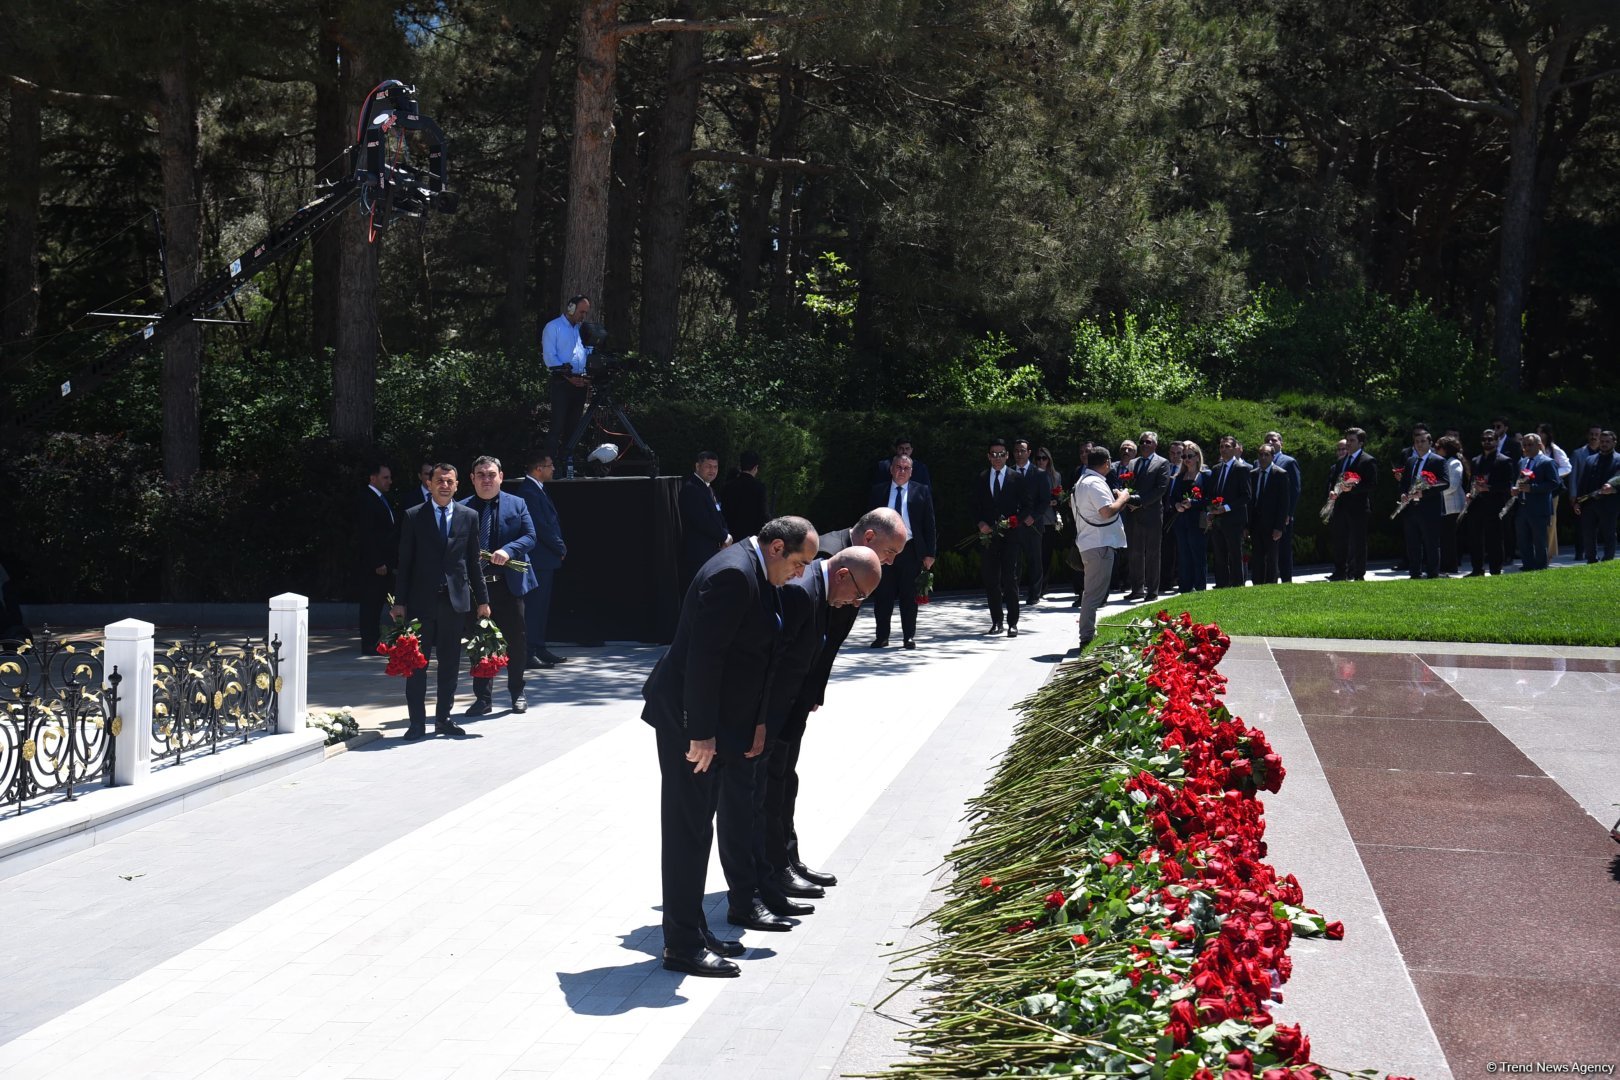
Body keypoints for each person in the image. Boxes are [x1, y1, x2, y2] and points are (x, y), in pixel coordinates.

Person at [640, 516, 818, 976]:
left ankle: (692, 929)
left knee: (699, 827)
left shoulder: (757, 571)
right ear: (776, 548)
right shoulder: (734, 575)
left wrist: (756, 722)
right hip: (689, 725)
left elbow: (757, 656)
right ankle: (681, 945)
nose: (801, 573)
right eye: (799, 562)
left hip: (714, 724)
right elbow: (704, 658)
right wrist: (700, 733)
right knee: (688, 831)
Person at [758, 547, 883, 900]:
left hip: (792, 708)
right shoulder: (803, 589)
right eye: (858, 595)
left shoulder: (823, 587)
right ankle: (770, 873)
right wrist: (762, 722)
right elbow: (774, 661)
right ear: (843, 575)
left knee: (785, 783)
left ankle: (786, 862)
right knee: (768, 791)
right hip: (773, 714)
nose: (856, 603)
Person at [392, 464, 491, 740]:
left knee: (449, 664)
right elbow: (405, 562)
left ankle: (444, 719)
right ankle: (417, 723)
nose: (444, 486)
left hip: (454, 601)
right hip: (420, 602)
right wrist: (399, 602)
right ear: (430, 483)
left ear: (457, 485)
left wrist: (483, 600)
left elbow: (473, 563)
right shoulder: (414, 516)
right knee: (417, 664)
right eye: (439, 481)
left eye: (449, 481)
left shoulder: (468, 516)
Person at [461, 456, 538, 716]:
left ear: (501, 477)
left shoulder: (517, 504)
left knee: (516, 641)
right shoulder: (461, 508)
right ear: (472, 479)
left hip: (507, 585)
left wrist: (508, 550)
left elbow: (530, 536)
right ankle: (483, 698)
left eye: (491, 474)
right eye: (481, 475)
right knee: (480, 643)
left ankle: (517, 692)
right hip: (476, 589)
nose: (486, 479)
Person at [867, 455, 936, 649]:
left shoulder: (921, 491)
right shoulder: (879, 491)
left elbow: (929, 523)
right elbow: (868, 522)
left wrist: (930, 553)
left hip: (910, 549)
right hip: (884, 550)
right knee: (883, 594)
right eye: (898, 467)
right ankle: (882, 636)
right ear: (891, 469)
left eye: (906, 468)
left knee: (909, 595)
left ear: (911, 471)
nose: (901, 471)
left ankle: (908, 637)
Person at [1072, 447, 1131, 648]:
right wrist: (1123, 497)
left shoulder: (1082, 481)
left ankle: (1088, 633)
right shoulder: (1095, 483)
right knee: (1093, 594)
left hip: (1091, 542)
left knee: (1092, 592)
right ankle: (1086, 637)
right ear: (1106, 462)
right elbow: (1106, 512)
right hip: (1098, 544)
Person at [518, 451, 569, 668]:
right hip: (538, 559)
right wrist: (559, 546)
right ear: (539, 468)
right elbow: (540, 526)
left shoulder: (537, 489)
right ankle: (528, 652)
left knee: (541, 607)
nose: (553, 469)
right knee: (534, 607)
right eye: (550, 465)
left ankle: (539, 646)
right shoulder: (529, 492)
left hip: (545, 560)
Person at [973, 437, 1028, 637]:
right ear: (988, 456)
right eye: (994, 454)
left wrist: (1015, 521)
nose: (997, 458)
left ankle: (1013, 622)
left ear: (1007, 456)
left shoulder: (1016, 477)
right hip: (989, 537)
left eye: (1001, 454)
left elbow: (1027, 506)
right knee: (991, 579)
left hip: (1010, 536)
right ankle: (997, 621)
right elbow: (974, 506)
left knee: (1010, 579)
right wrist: (980, 523)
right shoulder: (981, 478)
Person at [541, 294, 593, 470]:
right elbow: (550, 357)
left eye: (585, 312)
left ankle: (567, 466)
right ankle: (549, 467)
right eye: (581, 312)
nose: (583, 316)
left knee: (573, 428)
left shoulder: (581, 330)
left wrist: (586, 377)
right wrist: (568, 376)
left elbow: (585, 354)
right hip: (561, 382)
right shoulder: (553, 327)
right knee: (557, 426)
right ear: (571, 308)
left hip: (580, 383)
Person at [1123, 431, 1171, 601]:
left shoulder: (1162, 463)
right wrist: (1128, 501)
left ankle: (1152, 591)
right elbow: (1127, 484)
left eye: (1148, 442)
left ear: (1155, 445)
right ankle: (1137, 589)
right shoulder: (1132, 463)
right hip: (1133, 514)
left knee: (1152, 554)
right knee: (1134, 553)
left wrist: (1139, 502)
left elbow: (1161, 489)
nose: (1144, 444)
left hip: (1152, 515)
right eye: (1142, 442)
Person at [1398, 426, 1450, 579]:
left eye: (1422, 441)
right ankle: (1415, 573)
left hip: (1430, 508)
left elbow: (1445, 482)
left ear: (1430, 443)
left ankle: (1433, 573)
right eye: (1416, 442)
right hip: (1411, 508)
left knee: (1431, 543)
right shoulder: (1410, 461)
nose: (1419, 444)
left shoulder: (1438, 460)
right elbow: (1404, 482)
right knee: (1412, 542)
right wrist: (1403, 493)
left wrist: (1424, 492)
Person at [357, 463, 398, 657]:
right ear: (373, 478)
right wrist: (377, 562)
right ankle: (369, 643)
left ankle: (375, 641)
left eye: (389, 477)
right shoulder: (367, 499)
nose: (389, 481)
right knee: (371, 605)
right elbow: (367, 534)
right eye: (385, 477)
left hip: (385, 563)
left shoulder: (380, 498)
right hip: (375, 566)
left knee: (378, 603)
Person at [1329, 427, 1378, 581]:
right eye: (1347, 440)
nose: (1348, 444)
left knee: (1358, 542)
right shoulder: (1341, 461)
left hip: (1358, 508)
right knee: (1339, 541)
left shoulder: (1367, 460)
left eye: (1352, 440)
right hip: (1340, 507)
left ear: (1361, 443)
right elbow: (1334, 480)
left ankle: (1358, 573)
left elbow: (1372, 484)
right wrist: (1333, 491)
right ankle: (1340, 572)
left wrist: (1352, 488)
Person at [1466, 427, 1516, 576]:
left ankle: (1495, 570)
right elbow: (1472, 480)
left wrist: (1489, 488)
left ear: (1497, 440)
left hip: (1495, 505)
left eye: (1490, 439)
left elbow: (1507, 486)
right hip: (1476, 504)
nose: (1487, 442)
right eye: (1484, 439)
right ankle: (1477, 569)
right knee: (1475, 538)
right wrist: (1470, 493)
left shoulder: (1504, 461)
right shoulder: (1476, 460)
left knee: (1494, 539)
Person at [678, 451, 731, 591]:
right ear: (697, 466)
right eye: (708, 466)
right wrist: (724, 536)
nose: (712, 470)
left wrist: (726, 535)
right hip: (697, 555)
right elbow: (702, 522)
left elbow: (719, 516)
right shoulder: (691, 489)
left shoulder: (708, 489)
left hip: (712, 552)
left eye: (715, 467)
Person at [1207, 435, 1252, 588]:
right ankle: (1221, 585)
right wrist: (1211, 511)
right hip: (1217, 520)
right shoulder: (1216, 469)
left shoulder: (1241, 469)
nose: (1224, 449)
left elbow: (1246, 496)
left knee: (1235, 554)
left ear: (1234, 449)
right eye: (1221, 446)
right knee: (1219, 555)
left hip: (1234, 519)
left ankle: (1237, 585)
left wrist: (1226, 508)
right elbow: (1212, 493)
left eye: (1227, 446)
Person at [1009, 438, 1050, 605]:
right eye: (1016, 451)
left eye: (1022, 450)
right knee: (1013, 561)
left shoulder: (1039, 474)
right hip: (1013, 524)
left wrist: (1034, 516)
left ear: (1029, 452)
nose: (1019, 453)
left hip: (1033, 524)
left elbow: (1045, 500)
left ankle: (1034, 594)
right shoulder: (1008, 472)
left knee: (1034, 560)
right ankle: (1011, 593)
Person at [1514, 433, 1560, 571]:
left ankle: (1541, 566)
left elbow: (1554, 483)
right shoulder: (1522, 462)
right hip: (1522, 507)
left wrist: (1532, 488)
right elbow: (1517, 480)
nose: (1527, 448)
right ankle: (1527, 565)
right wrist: (1515, 489)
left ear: (1539, 445)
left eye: (1530, 445)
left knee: (1539, 541)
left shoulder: (1547, 462)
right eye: (1524, 445)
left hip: (1539, 508)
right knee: (1523, 539)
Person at [1169, 440, 1210, 593]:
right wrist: (1177, 505)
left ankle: (1199, 587)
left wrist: (1193, 503)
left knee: (1197, 555)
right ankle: (1185, 587)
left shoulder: (1206, 475)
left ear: (1197, 457)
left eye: (1190, 456)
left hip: (1197, 520)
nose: (1186, 459)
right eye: (1184, 456)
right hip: (1181, 520)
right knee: (1184, 555)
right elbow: (1172, 497)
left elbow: (1209, 499)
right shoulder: (1179, 476)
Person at [1262, 432, 1302, 582]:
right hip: (1265, 515)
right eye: (1267, 440)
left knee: (1284, 549)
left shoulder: (1289, 462)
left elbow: (1295, 490)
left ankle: (1286, 580)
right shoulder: (1258, 462)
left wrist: (1288, 513)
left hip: (1282, 515)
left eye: (1274, 440)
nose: (1270, 442)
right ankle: (1269, 579)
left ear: (1281, 443)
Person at [1573, 429, 1618, 562]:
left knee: (1608, 533)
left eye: (1607, 442)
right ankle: (1591, 559)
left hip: (1609, 503)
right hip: (1589, 502)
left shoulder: (1618, 459)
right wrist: (1578, 501)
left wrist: (1613, 487)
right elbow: (1583, 482)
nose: (1604, 444)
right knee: (1588, 533)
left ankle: (1608, 559)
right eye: (1602, 441)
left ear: (1614, 443)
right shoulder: (1590, 459)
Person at [1248, 444, 1289, 586]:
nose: (1263, 457)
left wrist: (1279, 527)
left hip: (1272, 524)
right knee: (1257, 556)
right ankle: (1257, 583)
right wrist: (1247, 525)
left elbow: (1284, 503)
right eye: (1260, 454)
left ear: (1272, 456)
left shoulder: (1280, 474)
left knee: (1272, 557)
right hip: (1255, 523)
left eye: (1266, 455)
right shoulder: (1253, 474)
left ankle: (1271, 584)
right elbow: (1249, 501)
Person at [1033, 448, 1066, 600]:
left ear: (1049, 460)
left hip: (1050, 520)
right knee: (1035, 555)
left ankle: (1043, 586)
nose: (1041, 461)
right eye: (1038, 458)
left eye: (1044, 458)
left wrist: (1056, 501)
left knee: (1046, 555)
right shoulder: (1031, 474)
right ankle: (1035, 586)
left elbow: (1060, 496)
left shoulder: (1055, 476)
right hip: (1034, 519)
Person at [721, 451, 769, 541]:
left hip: (730, 534)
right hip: (751, 536)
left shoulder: (729, 486)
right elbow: (762, 513)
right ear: (755, 467)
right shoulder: (759, 487)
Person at [1436, 435, 1467, 574]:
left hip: (1453, 506)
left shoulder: (1454, 463)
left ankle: (1451, 566)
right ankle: (1444, 565)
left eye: (1439, 447)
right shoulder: (1443, 462)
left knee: (1449, 538)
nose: (1436, 449)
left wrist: (1434, 491)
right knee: (1444, 538)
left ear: (1446, 449)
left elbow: (1453, 485)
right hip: (1443, 506)